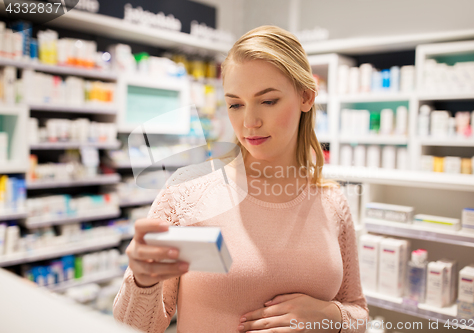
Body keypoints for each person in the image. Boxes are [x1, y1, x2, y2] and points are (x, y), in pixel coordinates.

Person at [113, 25, 369, 333]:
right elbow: (134, 327)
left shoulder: (333, 202)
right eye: (235, 104)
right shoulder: (189, 192)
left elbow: (358, 311)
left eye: (268, 100)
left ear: (306, 96)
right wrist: (142, 280)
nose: (249, 122)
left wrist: (331, 316)